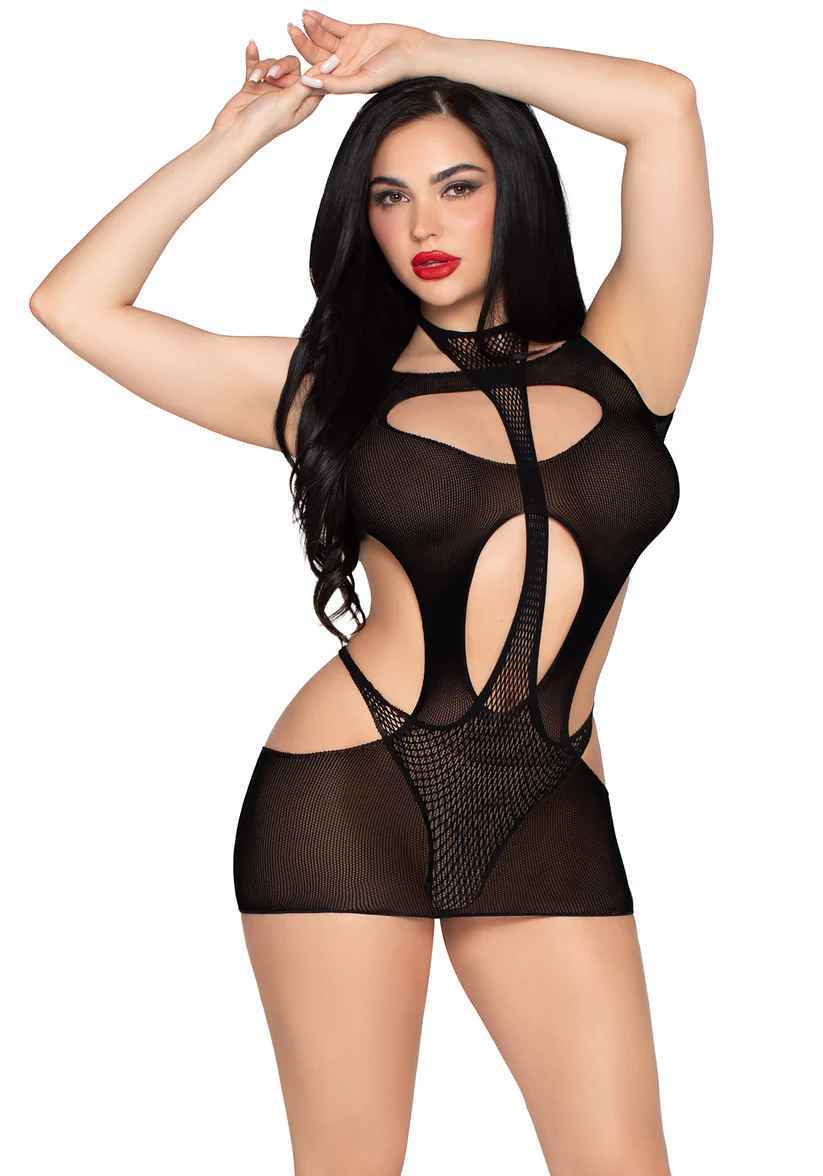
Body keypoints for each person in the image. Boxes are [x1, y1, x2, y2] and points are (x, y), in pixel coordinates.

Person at [30, 12, 712, 1174]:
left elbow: (665, 106)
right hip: (351, 788)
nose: (422, 227)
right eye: (389, 198)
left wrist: (424, 56)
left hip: (546, 797)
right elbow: (73, 305)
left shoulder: (629, 355)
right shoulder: (328, 392)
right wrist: (238, 137)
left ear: (514, 191)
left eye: (457, 187)